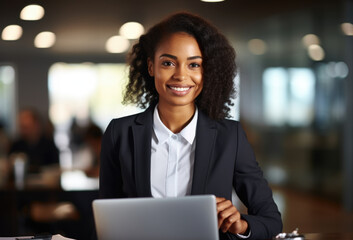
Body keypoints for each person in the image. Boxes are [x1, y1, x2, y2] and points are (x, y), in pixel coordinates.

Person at [99, 12, 282, 240]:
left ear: (207, 71)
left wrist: (241, 225)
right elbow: (104, 219)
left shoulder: (230, 137)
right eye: (168, 63)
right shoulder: (119, 133)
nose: (181, 75)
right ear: (151, 66)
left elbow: (271, 220)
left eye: (194, 64)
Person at [9, 108, 59, 173]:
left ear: (36, 125)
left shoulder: (49, 145)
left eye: (26, 127)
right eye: (21, 127)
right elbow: (10, 167)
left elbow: (55, 168)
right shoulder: (16, 145)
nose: (24, 131)